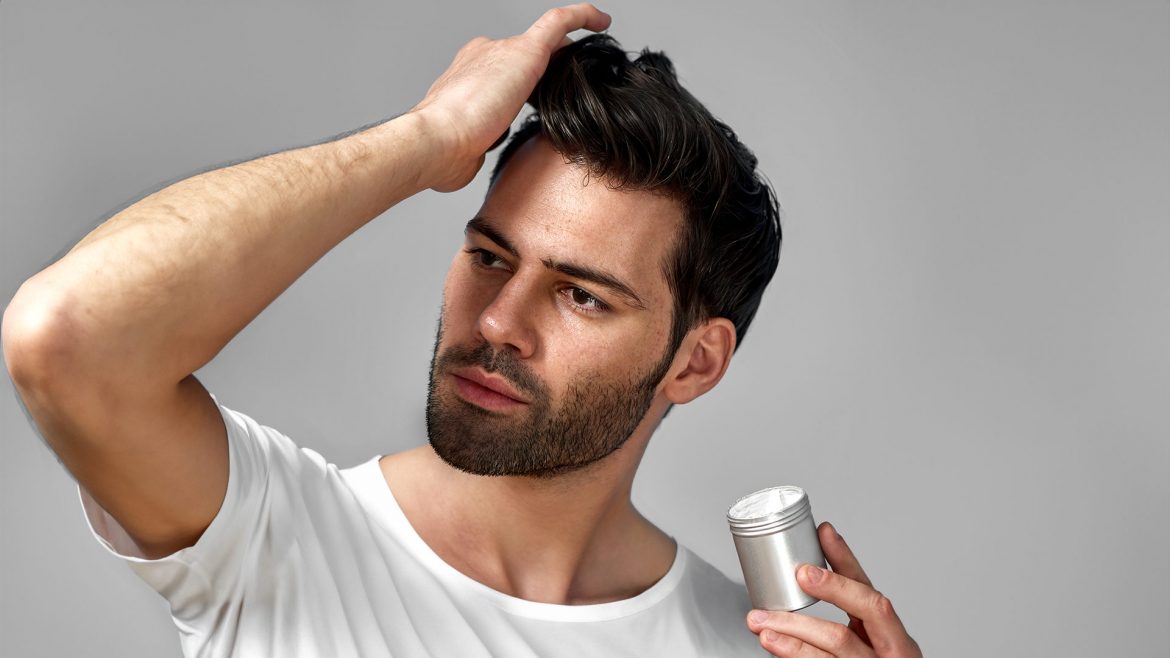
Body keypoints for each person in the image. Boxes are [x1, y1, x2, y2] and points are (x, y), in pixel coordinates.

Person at [2, 4, 920, 657]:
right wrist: (429, 136)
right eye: (489, 256)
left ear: (695, 361)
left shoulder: (749, 647)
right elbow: (65, 335)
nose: (496, 323)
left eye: (581, 297)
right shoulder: (277, 536)